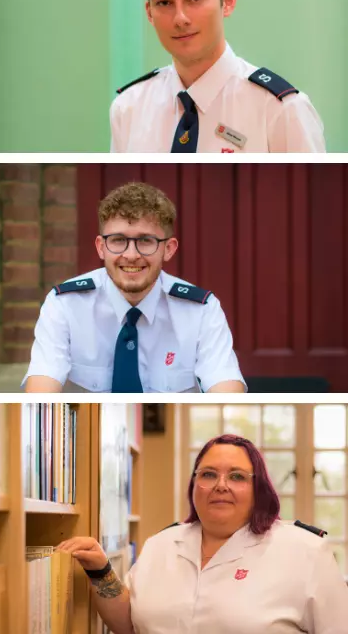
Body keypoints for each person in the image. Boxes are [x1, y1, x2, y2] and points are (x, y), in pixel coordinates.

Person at [58, 434, 348, 633]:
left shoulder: (305, 551)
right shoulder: (161, 544)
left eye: (237, 476)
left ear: (259, 489)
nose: (221, 485)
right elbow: (130, 625)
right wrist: (100, 571)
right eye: (208, 474)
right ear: (194, 486)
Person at [111, 0, 324, 153]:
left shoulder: (281, 110)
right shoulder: (129, 108)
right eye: (164, 2)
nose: (180, 18)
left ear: (227, 2)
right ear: (149, 12)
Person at [24, 182, 245, 393]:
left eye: (146, 241)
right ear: (101, 247)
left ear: (168, 249)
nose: (131, 255)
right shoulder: (65, 305)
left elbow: (227, 393)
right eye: (118, 240)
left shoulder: (202, 311)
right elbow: (41, 394)